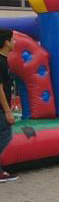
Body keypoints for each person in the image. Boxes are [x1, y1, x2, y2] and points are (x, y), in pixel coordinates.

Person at [0, 30, 17, 182]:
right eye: (13, 39)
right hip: (1, 108)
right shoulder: (0, 62)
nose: (15, 42)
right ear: (6, 42)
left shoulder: (4, 61)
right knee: (5, 135)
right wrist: (7, 111)